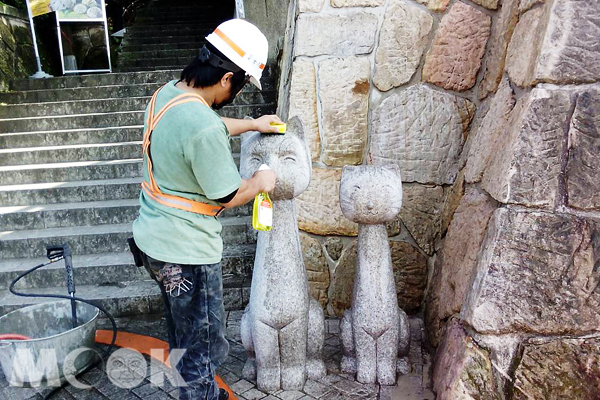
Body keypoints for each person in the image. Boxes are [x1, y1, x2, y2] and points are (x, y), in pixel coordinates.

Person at [131, 19, 280, 400]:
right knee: (204, 348)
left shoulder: (169, 93)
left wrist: (251, 124)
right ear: (228, 77)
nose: (239, 91)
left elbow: (205, 124)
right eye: (242, 83)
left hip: (153, 243)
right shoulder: (201, 125)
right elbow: (228, 194)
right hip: (187, 255)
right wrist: (262, 182)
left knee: (184, 336)